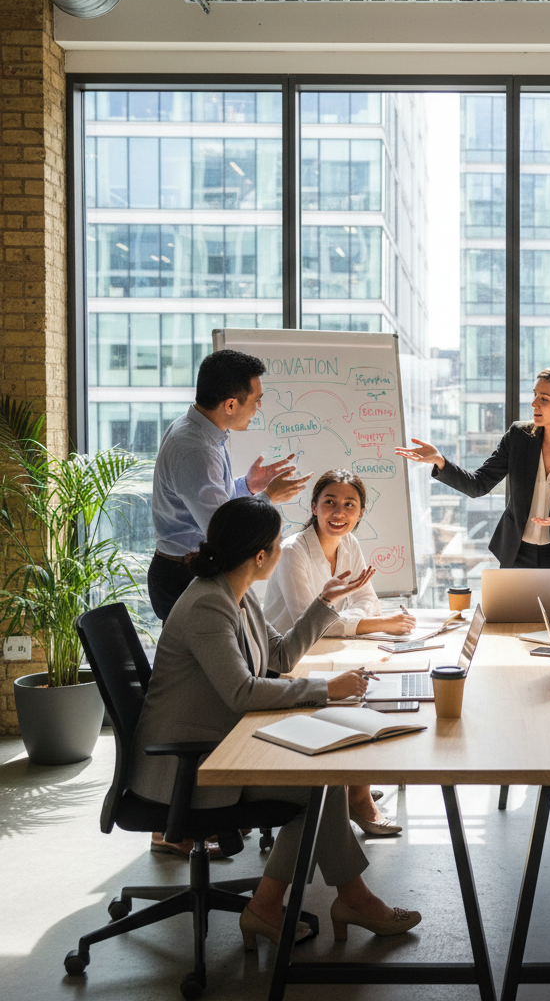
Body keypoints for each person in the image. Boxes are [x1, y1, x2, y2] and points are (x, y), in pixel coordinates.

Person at [130, 495, 421, 951]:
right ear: (260, 555)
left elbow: (280, 657)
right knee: (315, 789)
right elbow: (242, 691)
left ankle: (285, 905)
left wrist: (325, 604)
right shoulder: (209, 605)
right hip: (185, 768)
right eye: (277, 544)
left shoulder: (235, 594)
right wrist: (327, 690)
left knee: (320, 785)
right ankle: (336, 901)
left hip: (217, 744)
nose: (284, 550)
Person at [264, 468, 415, 836]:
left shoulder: (349, 544)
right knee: (352, 700)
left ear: (360, 513)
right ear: (313, 506)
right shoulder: (292, 551)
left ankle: (352, 784)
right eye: (329, 502)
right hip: (287, 661)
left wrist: (359, 618)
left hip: (326, 650)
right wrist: (375, 625)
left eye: (350, 505)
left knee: (370, 686)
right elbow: (308, 623)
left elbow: (367, 600)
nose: (339, 512)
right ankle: (357, 797)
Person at [396, 365, 550, 604]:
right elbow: (478, 485)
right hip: (518, 555)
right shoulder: (519, 436)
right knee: (510, 631)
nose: (534, 404)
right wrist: (441, 462)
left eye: (544, 398)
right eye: (535, 395)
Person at [148, 349, 310, 623]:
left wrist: (248, 486)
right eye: (256, 401)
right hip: (182, 574)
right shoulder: (196, 449)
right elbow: (224, 530)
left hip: (184, 568)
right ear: (231, 405)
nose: (258, 409)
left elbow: (216, 504)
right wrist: (268, 498)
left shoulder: (198, 429)